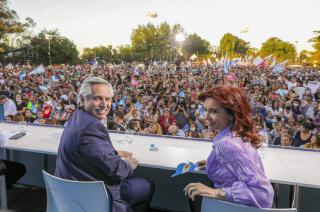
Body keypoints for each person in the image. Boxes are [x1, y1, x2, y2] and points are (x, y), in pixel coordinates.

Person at [54, 77, 154, 212]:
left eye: (108, 99)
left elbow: (89, 149)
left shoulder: (78, 116)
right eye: (97, 98)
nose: (104, 104)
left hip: (67, 196)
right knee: (148, 184)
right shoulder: (91, 127)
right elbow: (118, 170)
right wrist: (130, 164)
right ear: (83, 99)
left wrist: (111, 152)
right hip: (94, 199)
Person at [184, 85, 274, 211]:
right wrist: (214, 164)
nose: (206, 117)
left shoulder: (227, 145)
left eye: (214, 111)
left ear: (232, 114)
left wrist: (217, 193)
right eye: (206, 110)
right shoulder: (236, 133)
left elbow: (263, 193)